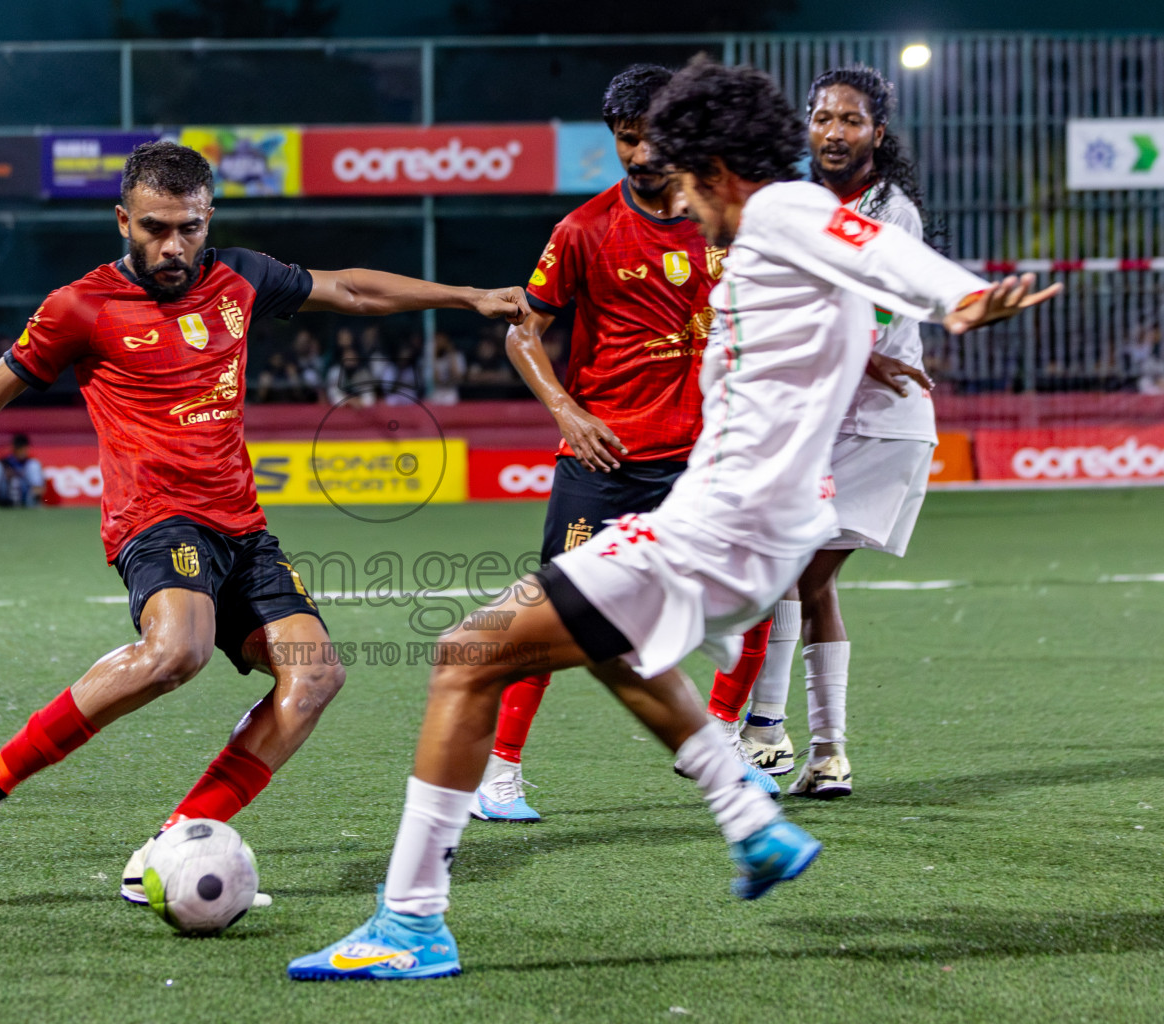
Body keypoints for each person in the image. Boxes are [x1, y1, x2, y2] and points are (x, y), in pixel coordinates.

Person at [288, 59, 1058, 981]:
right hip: (744, 529)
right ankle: (749, 820)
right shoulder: (779, 229)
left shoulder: (780, 213)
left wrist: (964, 298)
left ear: (720, 168)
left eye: (686, 178)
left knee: (466, 655)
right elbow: (864, 263)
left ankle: (409, 926)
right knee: (612, 643)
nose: (680, 202)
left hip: (719, 528)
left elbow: (884, 252)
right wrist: (931, 311)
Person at [0, 141, 528, 897]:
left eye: (189, 227)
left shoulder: (239, 276)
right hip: (156, 519)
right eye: (154, 228)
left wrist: (468, 296)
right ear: (122, 221)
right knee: (179, 651)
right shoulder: (80, 307)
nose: (173, 246)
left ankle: (172, 845)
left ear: (208, 219)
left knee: (313, 679)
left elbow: (350, 292)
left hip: (242, 527)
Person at [472, 63, 772, 822]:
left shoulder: (724, 218)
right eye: (626, 140)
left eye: (654, 138)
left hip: (704, 456)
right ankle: (498, 774)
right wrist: (566, 411)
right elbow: (524, 333)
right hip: (604, 461)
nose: (641, 155)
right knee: (553, 615)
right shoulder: (584, 230)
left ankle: (723, 745)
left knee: (760, 594)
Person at [713, 65, 947, 797]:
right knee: (807, 584)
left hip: (881, 426)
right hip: (820, 420)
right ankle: (828, 754)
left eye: (851, 120)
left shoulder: (892, 212)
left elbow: (869, 316)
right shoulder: (797, 204)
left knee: (795, 571)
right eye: (823, 119)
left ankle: (765, 734)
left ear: (877, 132)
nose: (834, 132)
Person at [0, 433, 45, 507]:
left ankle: (36, 501)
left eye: (23, 448)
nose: (21, 451)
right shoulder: (4, 462)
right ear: (13, 448)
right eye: (19, 448)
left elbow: (40, 485)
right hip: (5, 496)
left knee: (34, 465)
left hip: (25, 498)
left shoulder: (30, 463)